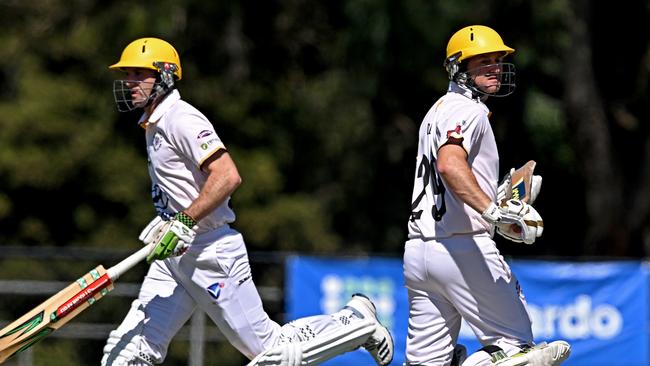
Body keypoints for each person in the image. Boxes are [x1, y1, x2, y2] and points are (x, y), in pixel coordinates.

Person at [102, 37, 394, 366]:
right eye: (127, 75)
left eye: (138, 74)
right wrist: (169, 216)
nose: (129, 83)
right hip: (174, 257)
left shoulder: (181, 118)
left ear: (165, 76)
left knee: (272, 354)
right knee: (125, 354)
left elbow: (227, 176)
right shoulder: (153, 123)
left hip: (211, 253)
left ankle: (355, 321)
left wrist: (185, 220)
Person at [403, 25, 571, 366]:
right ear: (458, 68)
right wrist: (493, 209)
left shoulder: (437, 111)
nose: (495, 67)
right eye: (483, 61)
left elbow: (447, 176)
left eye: (497, 60)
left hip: (418, 251)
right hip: (463, 247)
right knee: (520, 350)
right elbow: (449, 165)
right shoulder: (470, 110)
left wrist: (497, 194)